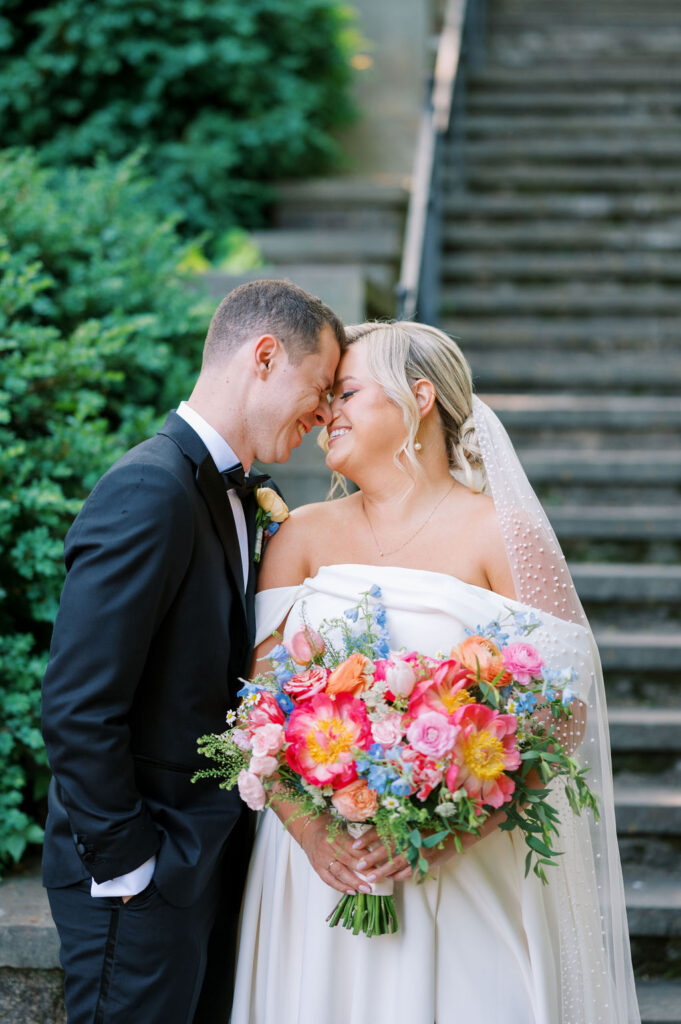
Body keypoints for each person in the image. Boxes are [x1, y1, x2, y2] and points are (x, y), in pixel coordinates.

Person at [231, 321, 640, 1024]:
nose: (328, 411)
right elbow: (253, 707)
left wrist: (445, 835)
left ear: (418, 398)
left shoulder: (501, 534)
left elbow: (564, 711)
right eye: (326, 396)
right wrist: (308, 832)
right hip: (315, 875)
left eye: (347, 392)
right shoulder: (297, 536)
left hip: (464, 869)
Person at [41, 279, 344, 1024]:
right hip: (140, 881)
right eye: (320, 386)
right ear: (265, 356)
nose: (326, 410)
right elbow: (78, 706)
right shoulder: (150, 487)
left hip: (201, 866)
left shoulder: (224, 493)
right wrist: (132, 868)